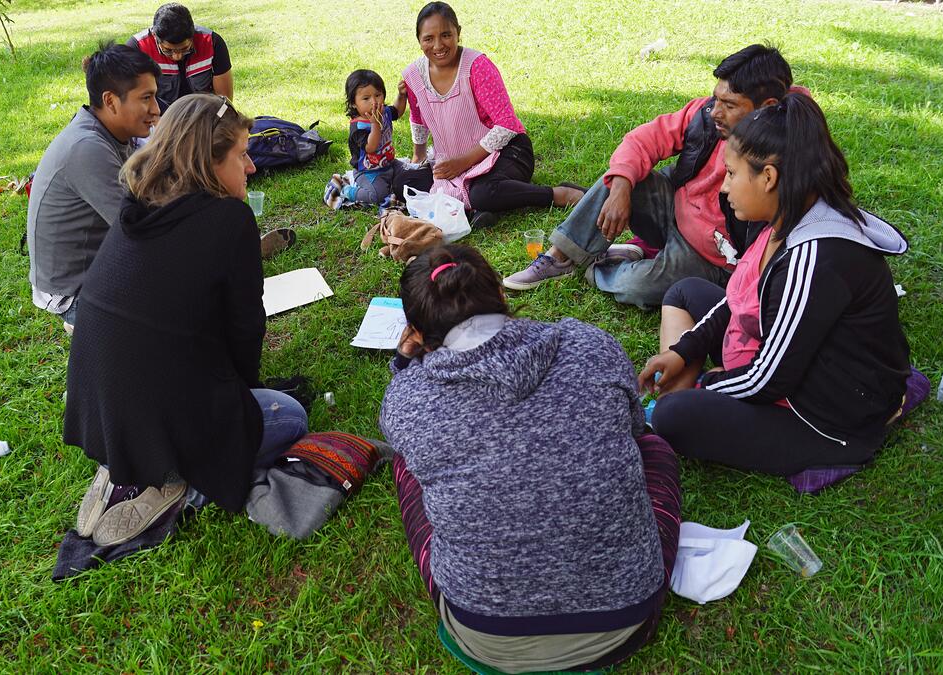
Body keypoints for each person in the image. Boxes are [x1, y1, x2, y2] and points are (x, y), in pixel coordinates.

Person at [379, 244, 681, 672]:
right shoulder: (590, 345)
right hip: (626, 616)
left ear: (416, 334)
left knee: (406, 465)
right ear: (502, 298)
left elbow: (409, 414)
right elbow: (634, 432)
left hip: (484, 633)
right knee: (655, 449)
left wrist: (402, 364)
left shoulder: (407, 399)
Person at [63, 94, 308, 547]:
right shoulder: (231, 219)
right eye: (240, 155)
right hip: (159, 408)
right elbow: (244, 329)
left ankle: (122, 470)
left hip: (97, 407)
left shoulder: (137, 203)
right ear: (207, 163)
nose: (251, 167)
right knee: (289, 417)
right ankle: (177, 482)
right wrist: (242, 402)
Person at [640, 93, 911, 478]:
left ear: (768, 177)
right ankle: (685, 384)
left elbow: (770, 378)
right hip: (791, 366)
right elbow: (738, 298)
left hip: (829, 421)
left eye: (732, 174)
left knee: (674, 414)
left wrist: (703, 388)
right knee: (686, 292)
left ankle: (680, 398)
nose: (724, 188)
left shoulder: (816, 257)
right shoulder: (788, 215)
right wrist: (683, 352)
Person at [503, 44, 796, 309]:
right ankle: (562, 255)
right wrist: (621, 188)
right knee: (621, 176)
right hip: (672, 209)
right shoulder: (706, 112)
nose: (715, 112)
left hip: (713, 255)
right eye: (715, 99)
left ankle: (606, 263)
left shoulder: (788, 151)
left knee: (637, 287)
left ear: (768, 107)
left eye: (729, 105)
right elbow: (643, 140)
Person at [392, 2, 584, 229]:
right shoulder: (414, 75)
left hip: (507, 151)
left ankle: (557, 194)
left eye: (446, 35)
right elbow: (418, 117)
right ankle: (481, 209)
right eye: (428, 38)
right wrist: (418, 157)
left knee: (483, 192)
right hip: (452, 158)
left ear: (458, 33)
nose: (438, 45)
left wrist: (463, 163)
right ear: (419, 40)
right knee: (404, 182)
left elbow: (507, 125)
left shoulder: (476, 66)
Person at [26, 43, 161, 333]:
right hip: (71, 292)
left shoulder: (110, 132)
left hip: (96, 265)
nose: (156, 109)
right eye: (146, 98)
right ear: (111, 101)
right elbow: (143, 229)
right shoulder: (87, 148)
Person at [324, 69, 412, 208]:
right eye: (366, 98)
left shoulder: (384, 112)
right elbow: (370, 147)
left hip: (389, 163)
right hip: (369, 172)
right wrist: (375, 124)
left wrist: (402, 95)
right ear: (353, 103)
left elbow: (398, 111)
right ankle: (348, 190)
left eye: (378, 95)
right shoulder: (358, 127)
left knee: (411, 174)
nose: (374, 101)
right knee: (378, 196)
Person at [127, 3, 233, 112]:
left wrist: (218, 122)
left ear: (193, 35)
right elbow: (134, 100)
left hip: (204, 115)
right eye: (168, 50)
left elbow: (224, 101)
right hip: (159, 118)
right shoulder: (138, 48)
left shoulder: (212, 43)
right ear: (155, 36)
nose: (177, 56)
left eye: (185, 49)